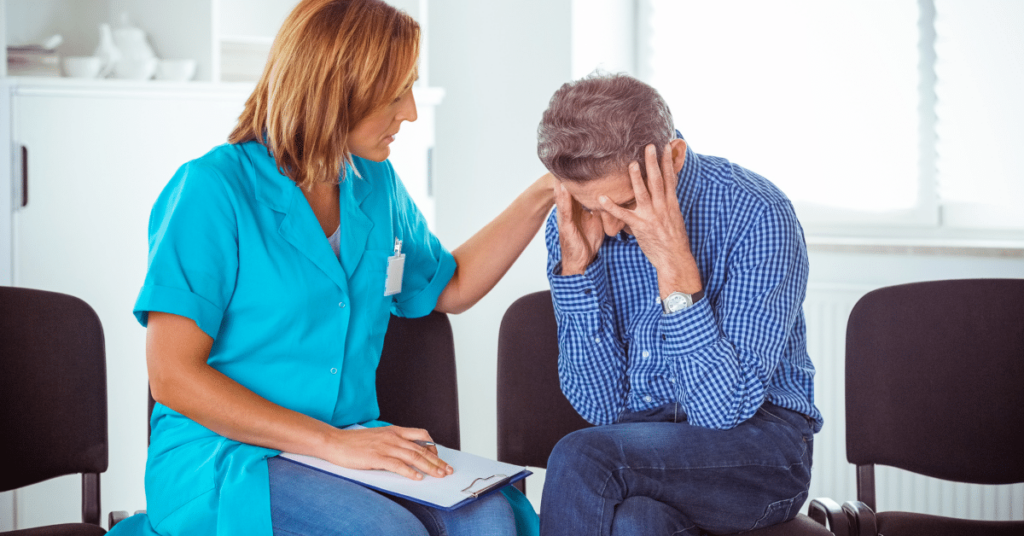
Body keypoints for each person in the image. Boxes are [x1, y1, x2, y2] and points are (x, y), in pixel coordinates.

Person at [108, 1, 554, 535]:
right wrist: (332, 444)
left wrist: (548, 192)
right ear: (336, 93)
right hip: (226, 456)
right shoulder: (211, 189)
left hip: (347, 443)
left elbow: (449, 284)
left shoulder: (375, 184)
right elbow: (173, 376)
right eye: (396, 94)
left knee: (490, 519)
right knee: (386, 531)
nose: (411, 112)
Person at [536, 72, 823, 536]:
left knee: (582, 454)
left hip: (760, 446)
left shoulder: (757, 213)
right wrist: (577, 272)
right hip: (641, 445)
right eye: (591, 207)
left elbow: (722, 411)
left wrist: (674, 264)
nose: (609, 228)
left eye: (626, 204)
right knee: (635, 524)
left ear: (673, 157)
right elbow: (600, 407)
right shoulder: (574, 226)